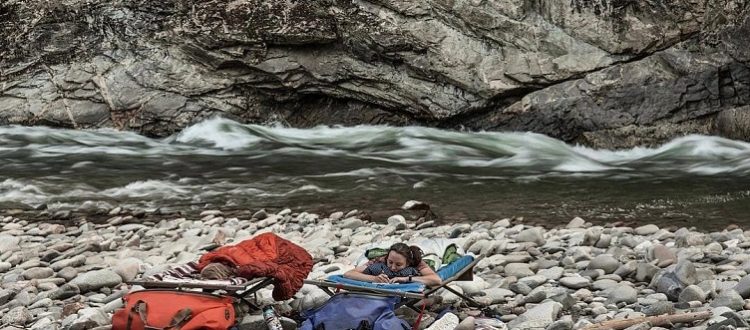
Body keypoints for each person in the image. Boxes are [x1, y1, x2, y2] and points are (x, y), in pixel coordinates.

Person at [343, 243, 442, 286]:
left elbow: (436, 280)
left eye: (398, 264)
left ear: (408, 263)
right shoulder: (381, 260)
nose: (393, 267)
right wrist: (374, 279)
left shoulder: (416, 262)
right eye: (390, 262)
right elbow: (349, 274)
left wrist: (407, 278)